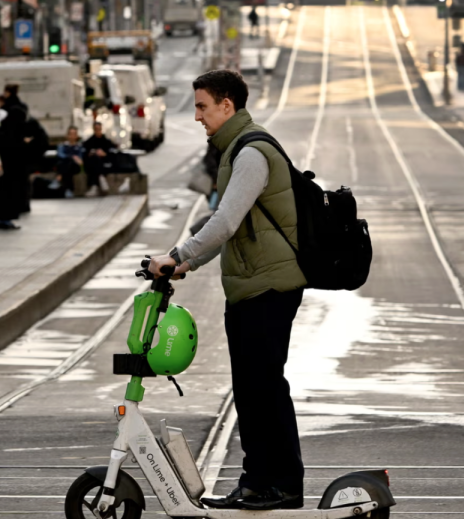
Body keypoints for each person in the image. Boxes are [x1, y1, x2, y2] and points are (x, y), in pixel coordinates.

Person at [148, 70, 307, 511]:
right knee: (253, 388)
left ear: (227, 106)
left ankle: (281, 483)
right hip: (252, 286)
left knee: (263, 387)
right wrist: (183, 262)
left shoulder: (251, 152)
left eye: (202, 106)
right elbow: (228, 230)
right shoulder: (235, 150)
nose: (196, 115)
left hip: (267, 286)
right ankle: (260, 481)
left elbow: (225, 222)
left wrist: (178, 255)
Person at [0, 84, 32, 229]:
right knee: (11, 189)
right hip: (14, 162)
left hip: (4, 161)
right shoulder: (19, 112)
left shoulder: (5, 120)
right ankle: (7, 216)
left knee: (4, 188)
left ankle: (3, 216)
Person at [83, 121, 117, 194]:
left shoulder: (106, 141)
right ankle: (101, 177)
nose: (98, 131)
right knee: (94, 159)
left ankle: (94, 185)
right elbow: (86, 153)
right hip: (93, 163)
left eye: (99, 129)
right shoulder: (89, 141)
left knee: (96, 163)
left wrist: (104, 154)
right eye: (96, 129)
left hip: (105, 162)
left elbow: (112, 152)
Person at [55, 126, 85, 198]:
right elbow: (60, 155)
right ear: (67, 135)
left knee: (68, 164)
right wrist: (72, 157)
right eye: (70, 134)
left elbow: (80, 159)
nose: (72, 136)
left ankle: (59, 177)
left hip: (75, 166)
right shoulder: (62, 145)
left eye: (74, 134)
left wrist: (75, 159)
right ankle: (69, 189)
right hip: (67, 165)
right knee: (67, 163)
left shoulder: (79, 146)